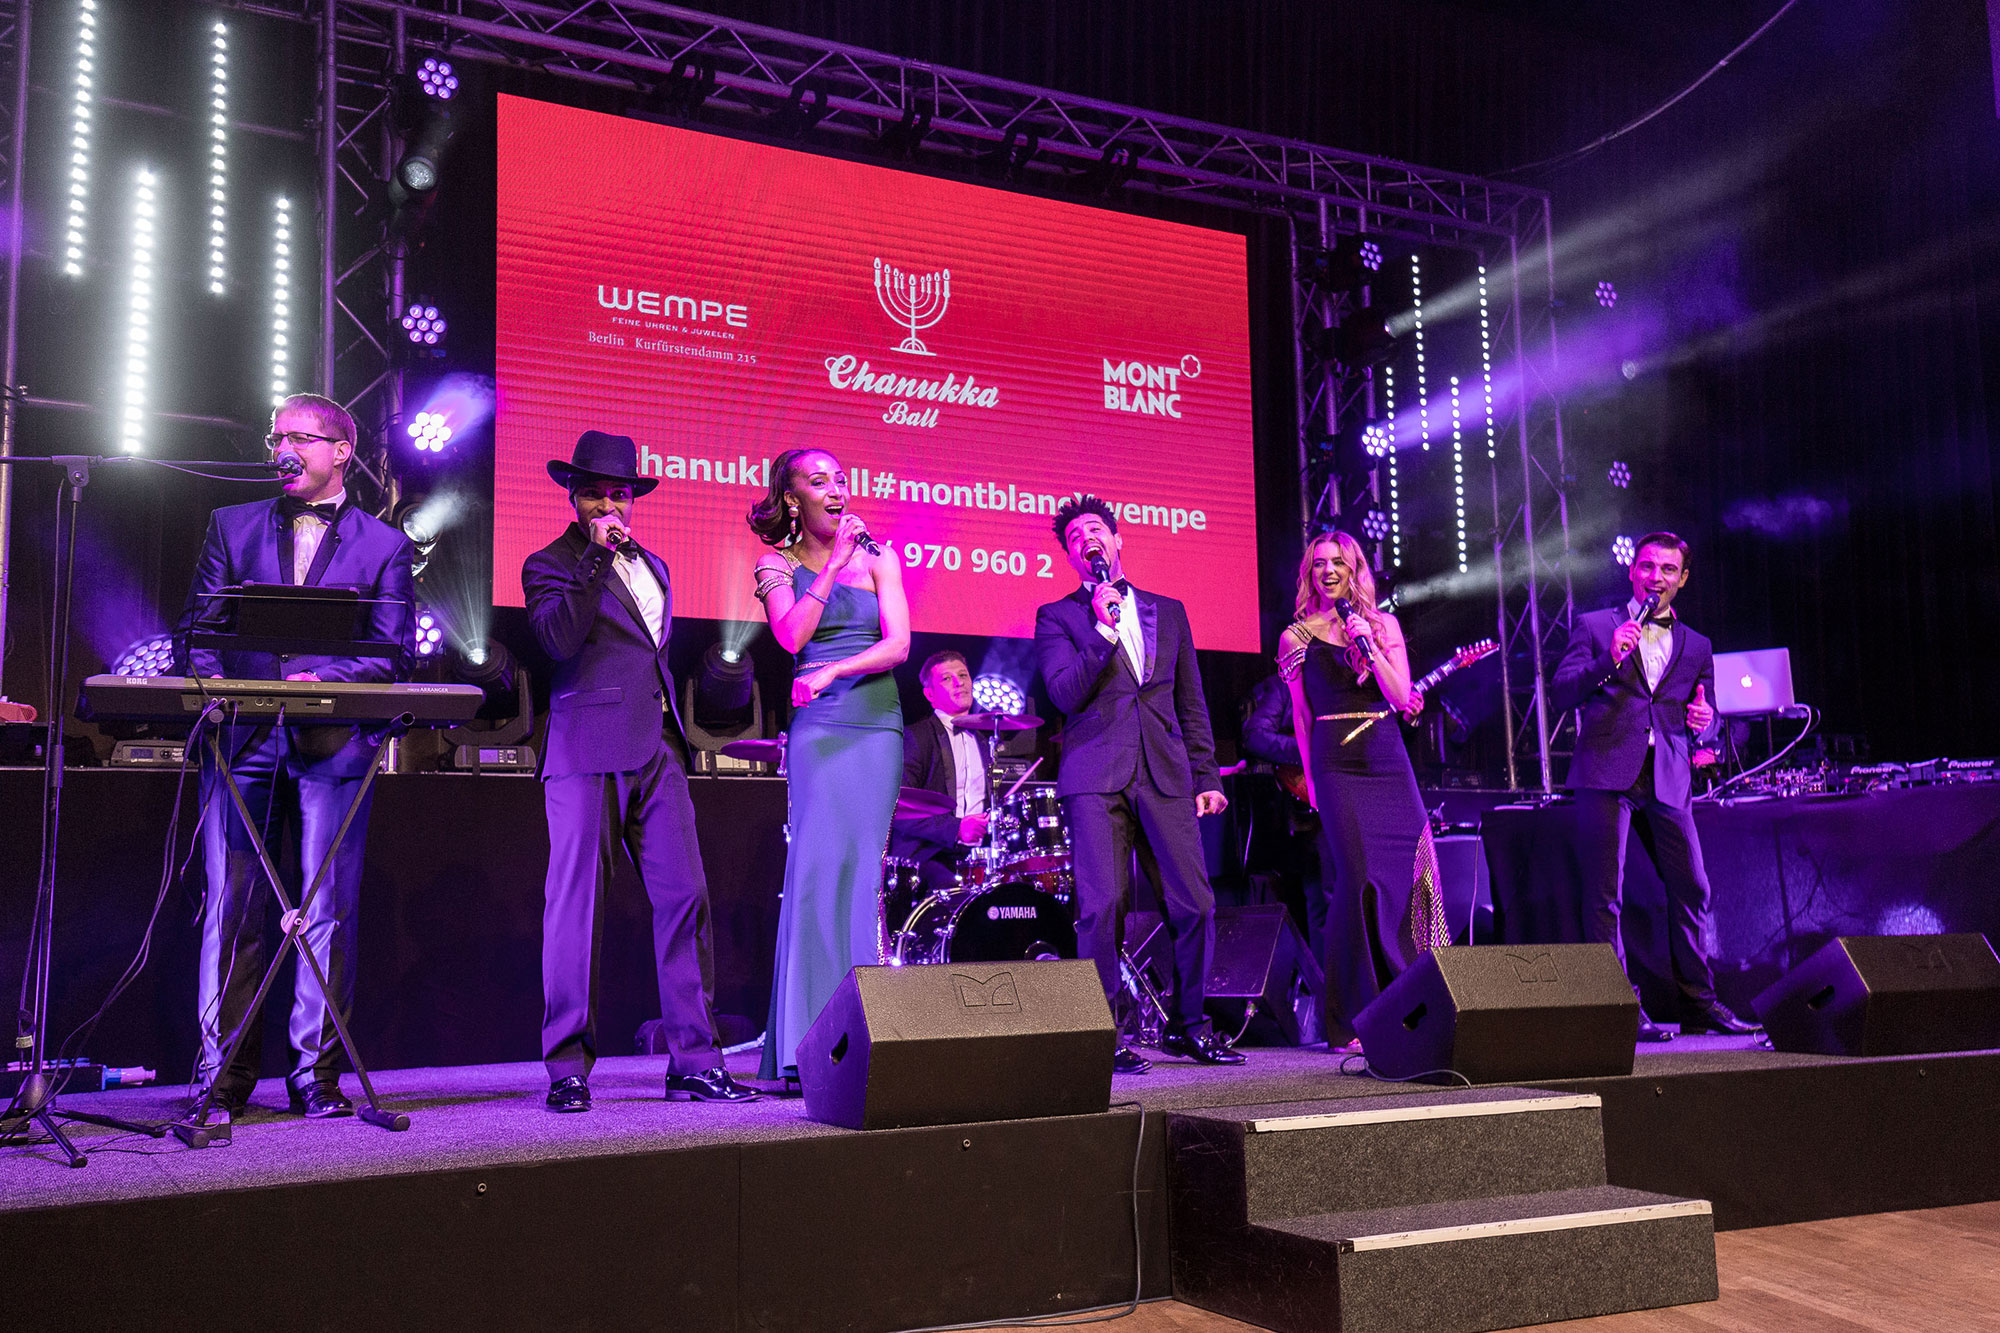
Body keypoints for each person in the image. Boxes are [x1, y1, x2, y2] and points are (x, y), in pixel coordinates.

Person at [174, 393, 414, 1136]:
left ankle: (315, 1076)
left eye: (300, 437)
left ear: (341, 451)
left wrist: (325, 682)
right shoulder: (231, 524)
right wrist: (220, 698)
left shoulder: (385, 545)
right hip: (241, 741)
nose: (282, 448)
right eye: (276, 436)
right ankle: (223, 1077)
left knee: (323, 914)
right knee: (233, 909)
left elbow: (392, 653)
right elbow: (197, 633)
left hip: (332, 743)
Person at [522, 430, 754, 1112]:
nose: (607, 504)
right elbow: (558, 639)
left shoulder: (655, 564)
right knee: (576, 912)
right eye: (594, 493)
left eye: (618, 493)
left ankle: (695, 1061)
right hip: (584, 751)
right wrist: (595, 558)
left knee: (686, 900)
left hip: (658, 749)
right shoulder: (549, 563)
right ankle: (568, 1067)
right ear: (574, 497)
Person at [1034, 494, 1242, 1073]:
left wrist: (1206, 774)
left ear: (1117, 539)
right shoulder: (1057, 616)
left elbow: (1190, 700)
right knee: (1103, 908)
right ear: (1070, 556)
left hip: (1166, 773)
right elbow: (1064, 693)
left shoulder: (1167, 611)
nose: (1087, 539)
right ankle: (1106, 1037)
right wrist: (1101, 631)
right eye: (1075, 537)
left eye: (1094, 529)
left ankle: (1189, 1027)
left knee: (1195, 903)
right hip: (1095, 777)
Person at [1552, 531, 1759, 1040]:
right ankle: (1618, 1007)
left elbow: (1704, 716)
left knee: (1692, 885)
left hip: (1667, 774)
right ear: (1632, 572)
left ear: (1682, 579)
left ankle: (1699, 1003)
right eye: (1647, 566)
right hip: (1606, 772)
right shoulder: (1596, 626)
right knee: (1605, 894)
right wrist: (1608, 660)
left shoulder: (1698, 645)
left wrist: (1705, 721)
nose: (1655, 577)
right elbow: (1561, 692)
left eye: (1668, 570)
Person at [750, 448, 909, 1080]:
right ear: (793, 499)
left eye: (841, 479)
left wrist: (836, 669)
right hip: (818, 731)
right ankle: (803, 1044)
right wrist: (835, 564)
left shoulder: (881, 556)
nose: (837, 490)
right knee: (816, 871)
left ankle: (863, 1042)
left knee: (862, 874)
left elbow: (898, 645)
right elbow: (791, 636)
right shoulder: (776, 563)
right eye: (819, 482)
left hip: (876, 724)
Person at [1278, 530, 1447, 1050]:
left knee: (1412, 876)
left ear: (1354, 570)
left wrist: (1368, 647)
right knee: (1357, 881)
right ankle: (1351, 1019)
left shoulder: (1382, 626)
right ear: (1309, 574)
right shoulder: (1295, 637)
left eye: (1338, 562)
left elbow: (1400, 696)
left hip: (1388, 760)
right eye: (1318, 563)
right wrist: (1312, 783)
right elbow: (1301, 717)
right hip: (1336, 764)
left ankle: (1419, 1001)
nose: (1328, 570)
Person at [888, 650, 992, 898]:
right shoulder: (916, 737)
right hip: (927, 853)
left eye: (963, 675)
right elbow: (898, 807)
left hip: (975, 855)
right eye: (947, 678)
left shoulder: (983, 741)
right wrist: (956, 829)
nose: (959, 682)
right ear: (930, 694)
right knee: (956, 894)